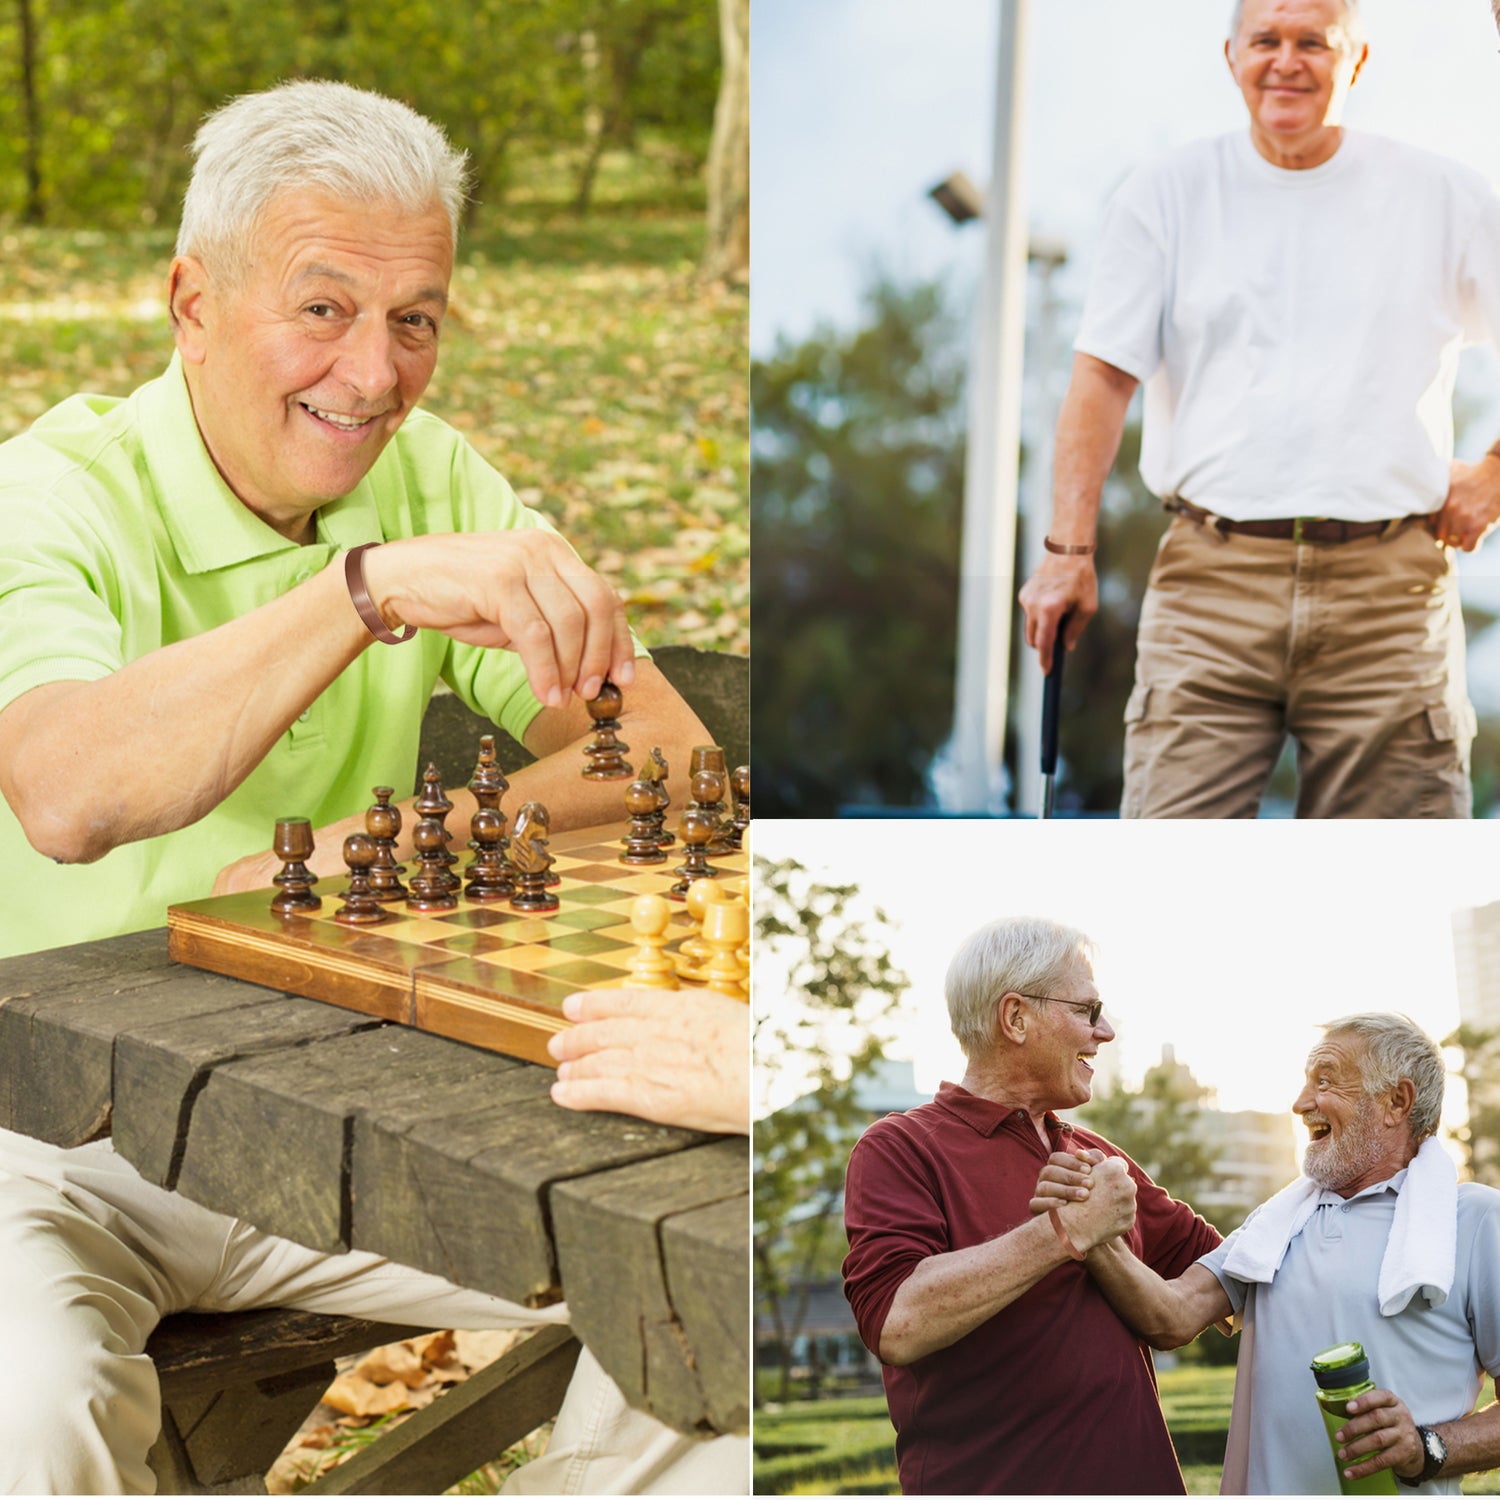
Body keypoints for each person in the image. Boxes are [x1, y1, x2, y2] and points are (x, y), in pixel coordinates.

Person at [0, 80, 744, 1494]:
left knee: (716, 1323)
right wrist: (365, 589)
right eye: (324, 307)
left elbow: (664, 755)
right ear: (191, 300)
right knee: (22, 1409)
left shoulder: (436, 473)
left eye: (417, 320)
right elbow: (65, 791)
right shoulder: (46, 497)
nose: (377, 375)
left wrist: (387, 841)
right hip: (45, 1132)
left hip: (362, 1125)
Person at [1018, 0, 1500, 818]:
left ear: (1357, 59)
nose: (1287, 61)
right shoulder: (1164, 194)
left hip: (1391, 596)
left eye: (1314, 41)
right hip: (1210, 584)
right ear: (1231, 55)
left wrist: (1493, 473)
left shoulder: (1445, 195)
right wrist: (1067, 550)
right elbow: (1101, 379)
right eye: (1266, 41)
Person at [1035, 1014, 1500, 1494]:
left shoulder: (1475, 1219)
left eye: (1325, 1081)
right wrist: (1087, 1227)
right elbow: (1169, 1317)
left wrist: (1426, 1448)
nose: (1301, 1103)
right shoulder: (1274, 1224)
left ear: (1396, 1102)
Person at [839, 916, 1222, 1494]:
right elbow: (897, 1321)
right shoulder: (899, 1148)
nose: (1107, 1032)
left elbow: (1226, 1267)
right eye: (1088, 1011)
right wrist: (1063, 1232)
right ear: (1015, 1018)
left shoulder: (1098, 1156)